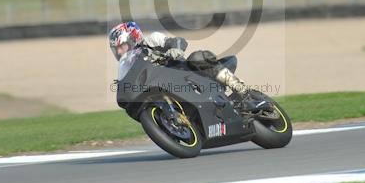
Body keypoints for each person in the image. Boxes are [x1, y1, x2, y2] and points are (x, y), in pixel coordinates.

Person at [108, 21, 268, 111]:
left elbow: (178, 41)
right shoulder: (129, 66)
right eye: (117, 49)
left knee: (197, 57)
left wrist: (175, 49)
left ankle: (242, 91)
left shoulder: (153, 40)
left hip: (184, 73)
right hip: (167, 88)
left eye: (122, 46)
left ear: (133, 37)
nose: (120, 51)